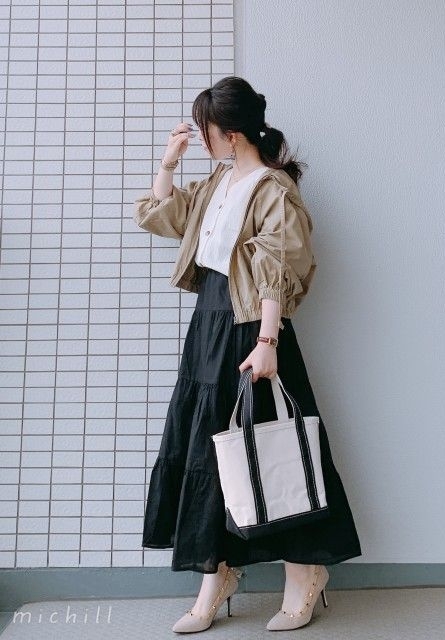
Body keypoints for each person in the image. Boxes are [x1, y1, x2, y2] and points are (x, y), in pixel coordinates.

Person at [134, 76, 362, 633]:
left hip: (250, 330)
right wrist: (167, 162)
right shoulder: (218, 181)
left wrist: (266, 343)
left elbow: (277, 269)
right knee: (210, 453)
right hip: (208, 326)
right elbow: (165, 217)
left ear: (230, 133)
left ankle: (306, 573)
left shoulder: (272, 188)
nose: (200, 137)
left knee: (277, 453)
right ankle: (217, 575)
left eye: (205, 129)